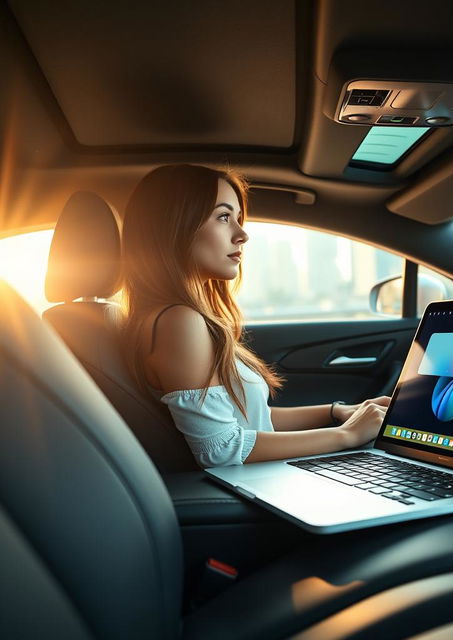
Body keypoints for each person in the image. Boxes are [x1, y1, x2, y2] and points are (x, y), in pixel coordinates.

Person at [120, 164, 390, 468]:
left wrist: (336, 412)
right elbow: (221, 447)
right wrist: (346, 436)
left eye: (237, 218)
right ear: (174, 226)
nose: (242, 234)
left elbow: (249, 420)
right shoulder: (178, 321)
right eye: (223, 217)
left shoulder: (178, 317)